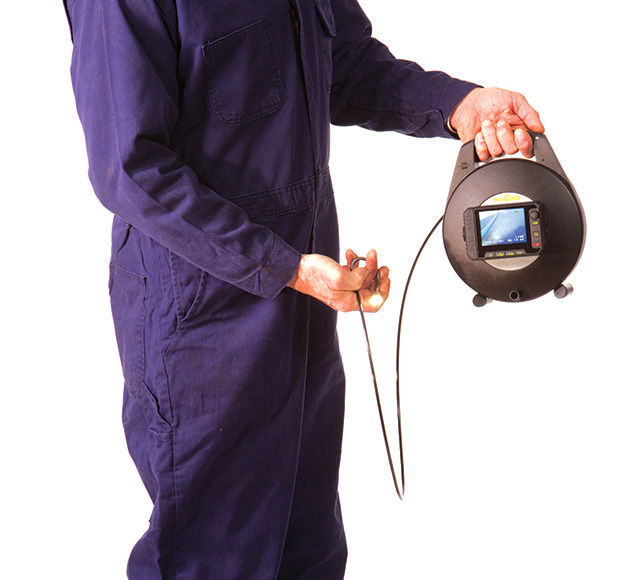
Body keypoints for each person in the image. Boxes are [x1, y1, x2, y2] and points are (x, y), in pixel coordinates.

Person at [62, 0, 544, 578]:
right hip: (199, 320)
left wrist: (457, 104)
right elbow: (130, 169)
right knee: (212, 556)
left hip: (304, 302)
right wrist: (284, 267)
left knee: (308, 550)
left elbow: (344, 63)